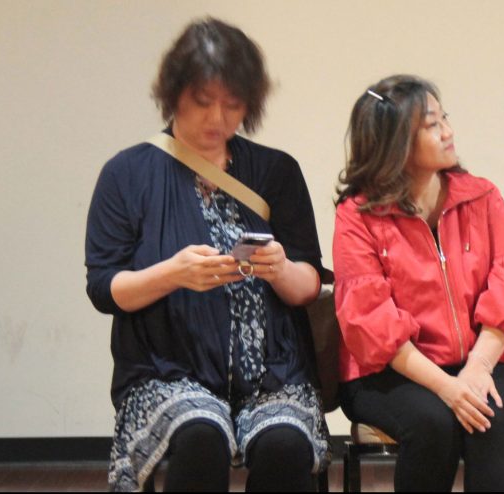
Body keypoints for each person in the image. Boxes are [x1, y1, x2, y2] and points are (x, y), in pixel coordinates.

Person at [84, 18, 329, 492]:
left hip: (272, 378)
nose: (217, 118)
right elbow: (103, 288)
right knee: (201, 436)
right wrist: (173, 274)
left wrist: (280, 269)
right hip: (166, 374)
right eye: (202, 101)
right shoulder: (127, 174)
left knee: (285, 446)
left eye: (232, 104)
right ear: (173, 94)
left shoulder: (276, 171)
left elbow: (309, 285)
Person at [333, 75, 504, 492]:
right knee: (433, 423)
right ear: (396, 144)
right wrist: (449, 387)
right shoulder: (357, 215)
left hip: (485, 357)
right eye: (432, 125)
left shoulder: (481, 196)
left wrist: (477, 368)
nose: (448, 131)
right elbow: (371, 320)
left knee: (487, 417)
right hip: (391, 371)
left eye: (444, 118)